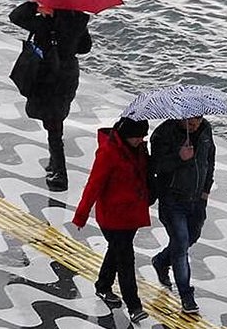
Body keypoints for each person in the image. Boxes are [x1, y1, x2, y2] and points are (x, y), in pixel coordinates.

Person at [72, 117, 151, 323]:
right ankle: (134, 306)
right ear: (125, 135)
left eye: (142, 136)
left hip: (132, 213)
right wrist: (81, 215)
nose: (139, 140)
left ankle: (103, 285)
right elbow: (93, 185)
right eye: (136, 137)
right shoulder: (108, 153)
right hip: (112, 217)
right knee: (126, 258)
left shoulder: (141, 149)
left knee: (117, 252)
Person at [9, 0, 92, 191]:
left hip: (47, 74)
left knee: (52, 122)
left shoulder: (46, 23)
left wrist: (35, 7)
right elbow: (85, 47)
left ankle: (60, 173)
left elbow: (15, 17)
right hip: (68, 75)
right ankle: (54, 162)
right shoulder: (78, 18)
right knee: (55, 118)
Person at [148, 116, 215, 314]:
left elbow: (209, 160)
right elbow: (155, 167)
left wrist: (205, 192)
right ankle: (186, 295)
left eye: (199, 119)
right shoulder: (163, 133)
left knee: (191, 237)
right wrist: (179, 157)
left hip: (197, 199)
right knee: (180, 243)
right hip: (172, 199)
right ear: (180, 116)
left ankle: (161, 261)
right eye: (190, 120)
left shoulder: (205, 130)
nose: (195, 124)